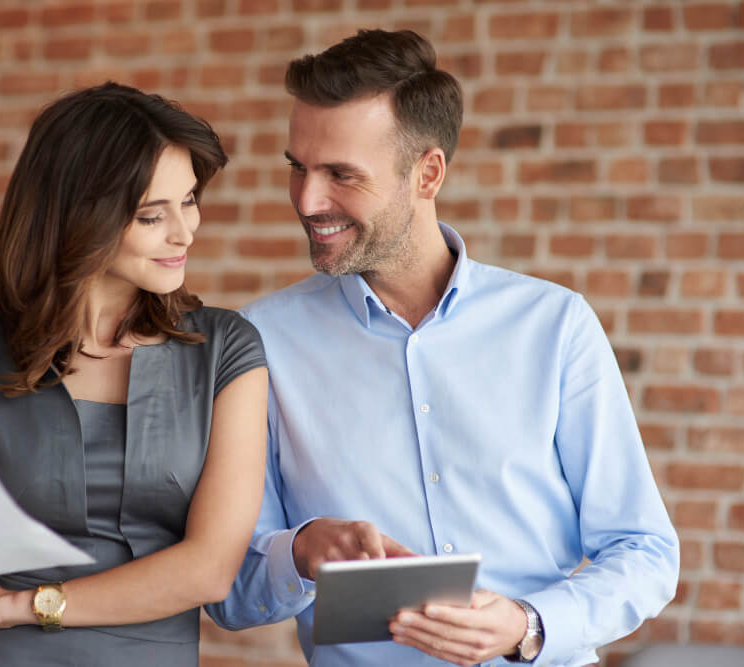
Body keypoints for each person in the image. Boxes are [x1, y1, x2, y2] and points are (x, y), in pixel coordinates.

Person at [205, 29, 679, 667]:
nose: (308, 200)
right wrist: (301, 550)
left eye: (341, 174)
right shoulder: (259, 342)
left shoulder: (555, 326)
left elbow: (644, 550)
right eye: (299, 167)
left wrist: (528, 624)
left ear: (427, 173)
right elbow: (230, 594)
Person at [0, 82, 269, 666]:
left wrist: (21, 606)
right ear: (81, 218)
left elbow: (210, 570)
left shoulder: (226, 350)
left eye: (190, 200)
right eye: (153, 214)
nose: (185, 232)